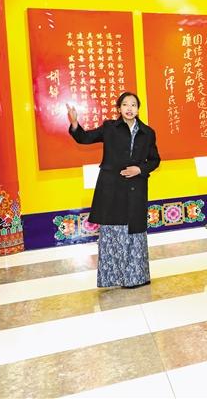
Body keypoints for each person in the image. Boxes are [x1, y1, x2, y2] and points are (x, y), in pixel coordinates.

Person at [67, 92, 160, 289]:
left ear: (138, 109)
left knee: (135, 234)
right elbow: (85, 138)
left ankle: (137, 277)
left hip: (136, 190)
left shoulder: (148, 132)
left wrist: (140, 169)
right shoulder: (110, 128)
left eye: (133, 105)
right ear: (119, 108)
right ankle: (114, 278)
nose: (129, 108)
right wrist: (75, 124)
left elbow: (154, 160)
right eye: (125, 104)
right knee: (113, 233)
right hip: (111, 190)